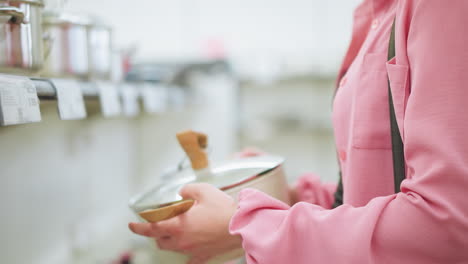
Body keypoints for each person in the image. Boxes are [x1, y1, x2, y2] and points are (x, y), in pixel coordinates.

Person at [129, 1, 468, 263]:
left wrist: (252, 227)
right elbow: (376, 190)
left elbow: (446, 226)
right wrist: (289, 199)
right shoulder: (377, 14)